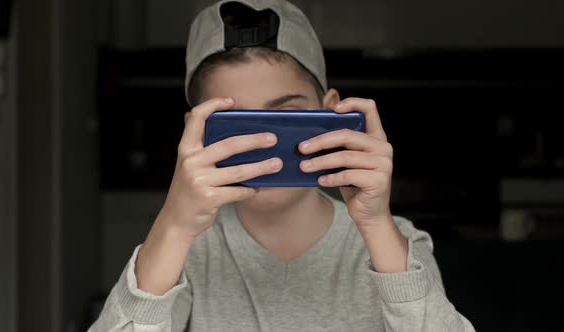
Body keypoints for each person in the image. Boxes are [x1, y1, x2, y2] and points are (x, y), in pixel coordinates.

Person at [89, 0, 475, 331]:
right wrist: (174, 224)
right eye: (237, 124)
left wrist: (376, 226)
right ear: (196, 131)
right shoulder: (187, 249)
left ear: (331, 110)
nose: (264, 145)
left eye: (287, 115)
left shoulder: (398, 242)